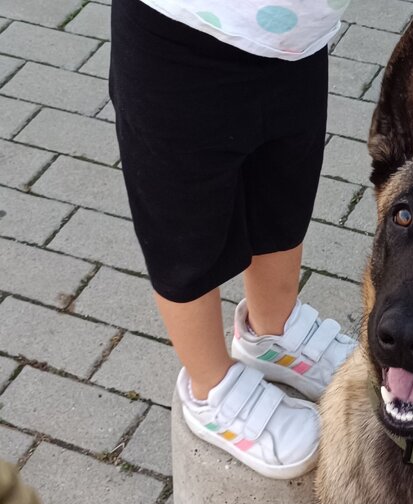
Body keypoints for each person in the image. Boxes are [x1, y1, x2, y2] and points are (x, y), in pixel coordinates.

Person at [109, 0, 356, 479]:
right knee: (184, 234)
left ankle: (274, 330)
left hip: (298, 40)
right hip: (181, 35)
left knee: (282, 201)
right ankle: (209, 386)